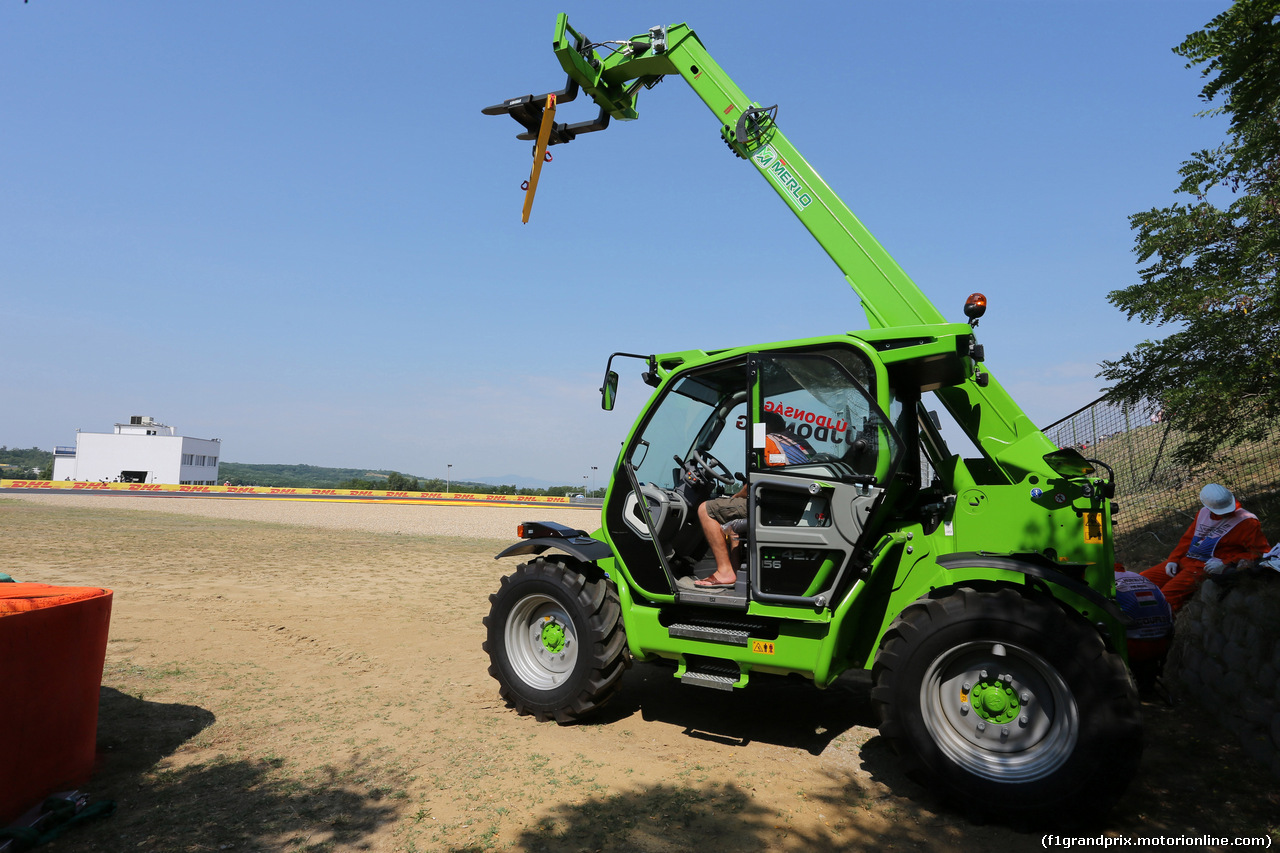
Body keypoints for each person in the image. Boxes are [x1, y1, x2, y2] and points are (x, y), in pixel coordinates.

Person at [681, 411, 813, 590]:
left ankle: (725, 572)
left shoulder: (768, 441)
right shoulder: (800, 444)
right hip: (797, 503)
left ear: (763, 427)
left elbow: (752, 482)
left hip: (775, 504)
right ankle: (734, 573)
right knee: (733, 519)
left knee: (706, 508)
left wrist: (735, 497)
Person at [1139, 483, 1269, 613]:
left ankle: (1161, 624)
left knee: (1165, 597)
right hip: (1186, 559)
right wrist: (1173, 559)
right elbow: (1188, 539)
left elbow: (1261, 552)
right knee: (1139, 582)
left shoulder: (1247, 521)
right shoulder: (1203, 513)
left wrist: (1226, 562)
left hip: (1204, 566)